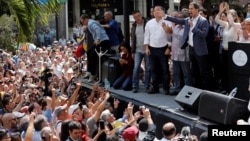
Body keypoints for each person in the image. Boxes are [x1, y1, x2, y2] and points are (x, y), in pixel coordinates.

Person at [165, 2, 212, 91]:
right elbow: (177, 20)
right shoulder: (187, 19)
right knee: (194, 72)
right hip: (191, 49)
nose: (190, 11)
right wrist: (165, 16)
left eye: (192, 9)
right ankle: (197, 91)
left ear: (197, 9)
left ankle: (207, 91)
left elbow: (204, 34)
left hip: (200, 51)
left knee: (203, 72)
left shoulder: (203, 21)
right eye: (189, 9)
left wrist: (193, 27)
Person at [144, 5, 171, 95]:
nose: (156, 12)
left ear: (163, 12)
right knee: (153, 69)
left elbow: (170, 35)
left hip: (163, 47)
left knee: (164, 69)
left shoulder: (167, 21)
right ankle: (155, 87)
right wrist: (147, 47)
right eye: (154, 11)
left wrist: (169, 47)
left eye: (158, 11)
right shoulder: (149, 23)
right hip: (152, 48)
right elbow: (147, 36)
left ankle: (166, 88)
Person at [164, 11, 192, 95]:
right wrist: (167, 31)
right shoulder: (175, 27)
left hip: (184, 54)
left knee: (186, 73)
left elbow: (182, 37)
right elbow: (170, 38)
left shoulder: (187, 27)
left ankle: (187, 90)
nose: (177, 19)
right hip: (175, 54)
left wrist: (172, 32)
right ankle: (177, 88)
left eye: (179, 18)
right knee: (176, 73)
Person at [215, 2, 241, 93]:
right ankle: (224, 88)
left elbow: (231, 22)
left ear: (234, 16)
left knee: (230, 71)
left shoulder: (237, 25)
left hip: (232, 51)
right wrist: (220, 11)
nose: (227, 16)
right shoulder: (225, 25)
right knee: (224, 70)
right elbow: (216, 20)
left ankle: (231, 89)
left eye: (230, 15)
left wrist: (227, 10)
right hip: (224, 51)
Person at [80, 14, 110, 83]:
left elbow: (97, 30)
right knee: (89, 52)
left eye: (82, 22)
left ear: (85, 19)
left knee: (93, 55)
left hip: (103, 41)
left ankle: (93, 74)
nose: (82, 23)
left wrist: (98, 39)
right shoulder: (91, 23)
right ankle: (89, 71)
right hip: (100, 40)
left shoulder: (91, 23)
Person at [130, 10, 151, 93]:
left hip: (147, 49)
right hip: (137, 50)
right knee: (136, 68)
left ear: (141, 15)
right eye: (135, 17)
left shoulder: (147, 23)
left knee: (148, 68)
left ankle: (147, 85)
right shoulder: (133, 26)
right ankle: (135, 85)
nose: (137, 18)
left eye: (138, 16)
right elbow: (132, 39)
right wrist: (132, 51)